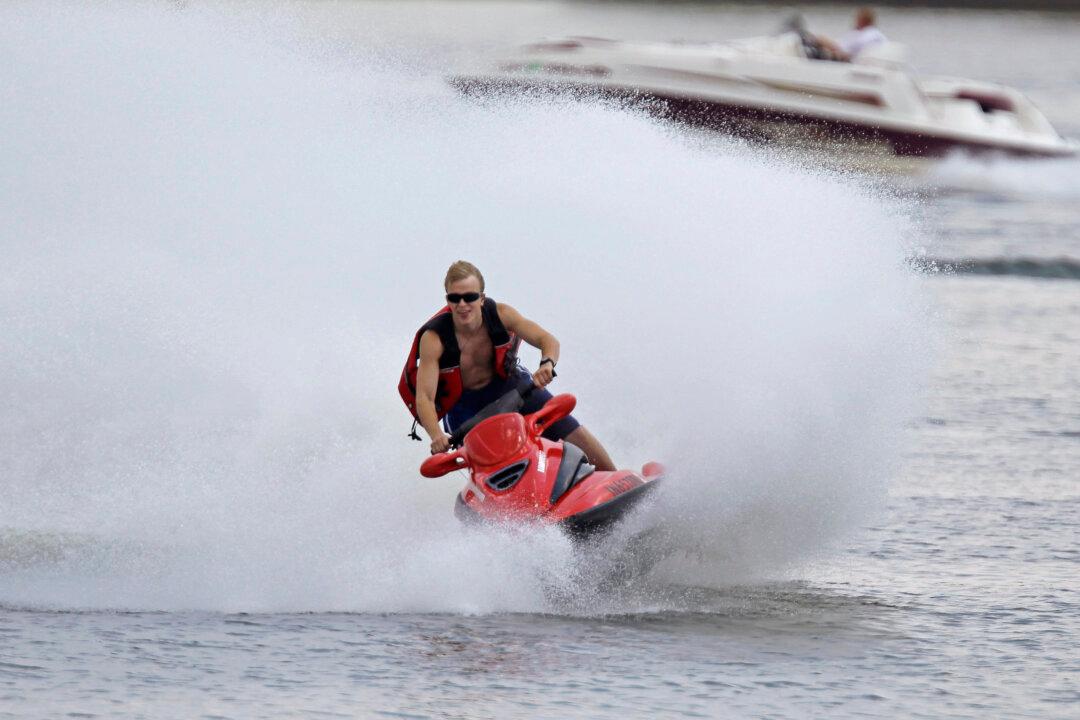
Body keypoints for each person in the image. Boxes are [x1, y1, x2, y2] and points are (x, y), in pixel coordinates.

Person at [399, 260, 616, 471]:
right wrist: (436, 435)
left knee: (573, 432)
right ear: (447, 299)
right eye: (455, 298)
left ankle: (616, 479)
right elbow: (425, 398)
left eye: (470, 297)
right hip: (466, 408)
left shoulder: (501, 314)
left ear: (482, 298)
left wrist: (547, 364)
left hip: (510, 386)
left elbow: (547, 340)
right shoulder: (433, 339)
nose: (462, 304)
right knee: (501, 467)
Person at [813, 7, 887, 62]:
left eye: (857, 19)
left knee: (820, 39)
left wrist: (824, 42)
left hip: (850, 59)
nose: (855, 21)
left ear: (862, 20)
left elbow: (847, 50)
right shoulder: (877, 34)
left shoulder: (868, 34)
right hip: (850, 55)